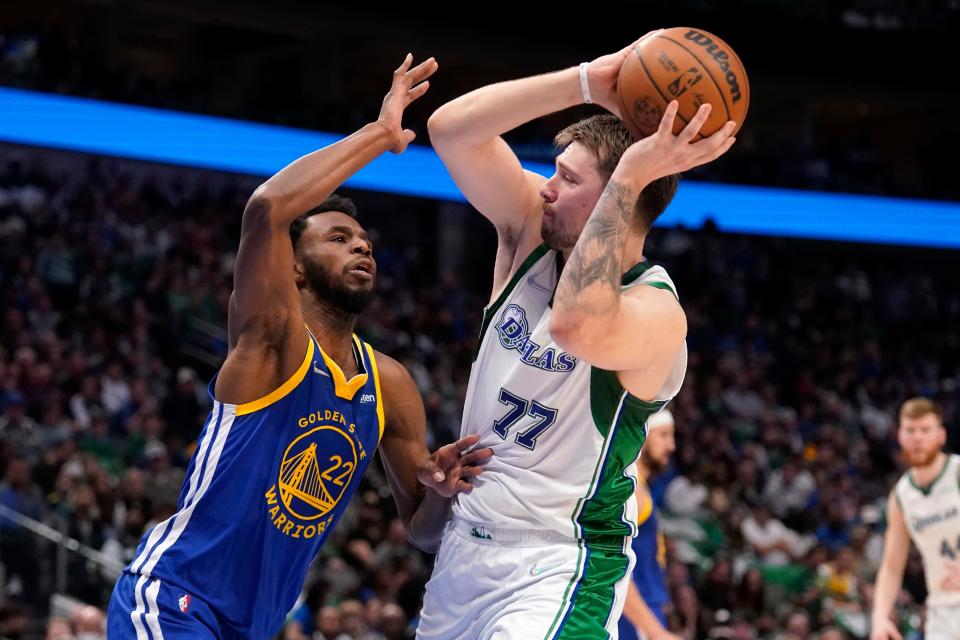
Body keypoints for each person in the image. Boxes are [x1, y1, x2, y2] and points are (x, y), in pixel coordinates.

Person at [107, 54, 490, 639]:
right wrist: (380, 135)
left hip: (253, 626)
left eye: (364, 242)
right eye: (338, 238)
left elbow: (422, 528)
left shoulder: (388, 382)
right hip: (178, 598)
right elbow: (266, 208)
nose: (362, 248)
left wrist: (439, 492)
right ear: (297, 269)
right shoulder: (271, 339)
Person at [418, 31, 737, 638]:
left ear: (619, 195)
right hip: (461, 556)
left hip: (558, 567)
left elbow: (575, 324)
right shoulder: (530, 236)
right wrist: (590, 81)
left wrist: (631, 176)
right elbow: (450, 129)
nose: (545, 187)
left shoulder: (656, 311)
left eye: (566, 178)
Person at [871, 397, 960, 640]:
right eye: (911, 430)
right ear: (900, 436)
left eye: (925, 430)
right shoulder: (902, 495)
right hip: (942, 610)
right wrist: (880, 618)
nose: (917, 437)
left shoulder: (957, 473)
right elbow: (891, 565)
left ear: (941, 435)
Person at [619, 408, 682, 640]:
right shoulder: (631, 489)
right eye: (664, 435)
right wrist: (655, 631)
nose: (672, 446)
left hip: (644, 611)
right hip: (633, 618)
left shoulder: (641, 486)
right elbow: (615, 567)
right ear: (642, 435)